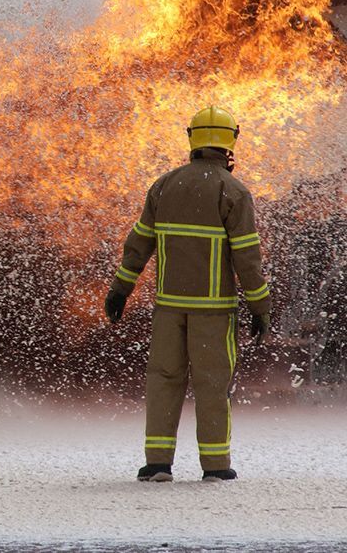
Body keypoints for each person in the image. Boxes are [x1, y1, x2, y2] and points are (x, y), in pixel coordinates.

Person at [104, 106, 271, 482]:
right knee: (212, 385)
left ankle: (157, 464)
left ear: (192, 138)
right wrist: (260, 307)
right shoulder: (233, 191)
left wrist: (120, 290)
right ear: (230, 141)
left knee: (163, 380)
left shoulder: (164, 185)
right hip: (213, 312)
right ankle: (216, 466)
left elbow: (139, 245)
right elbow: (247, 259)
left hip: (168, 309)